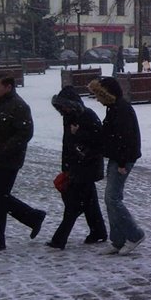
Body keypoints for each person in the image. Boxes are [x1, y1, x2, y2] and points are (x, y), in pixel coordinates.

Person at [0, 73, 47, 253]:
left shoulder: (19, 106)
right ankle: (32, 217)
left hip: (9, 160)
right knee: (0, 198)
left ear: (8, 87)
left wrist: (6, 149)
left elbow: (25, 133)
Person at [89, 76, 144, 255]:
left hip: (122, 159)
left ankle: (134, 234)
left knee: (112, 198)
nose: (97, 99)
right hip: (118, 157)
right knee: (110, 198)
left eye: (98, 95)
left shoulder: (121, 109)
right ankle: (118, 240)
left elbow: (125, 138)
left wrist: (121, 162)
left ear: (107, 94)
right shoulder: (115, 108)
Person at [47, 86, 107, 249]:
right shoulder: (69, 116)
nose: (63, 109)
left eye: (65, 106)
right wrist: (66, 167)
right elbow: (68, 145)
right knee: (89, 203)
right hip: (76, 166)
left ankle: (60, 239)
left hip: (86, 166)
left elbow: (98, 141)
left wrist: (78, 135)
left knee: (74, 204)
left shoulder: (87, 116)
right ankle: (98, 232)